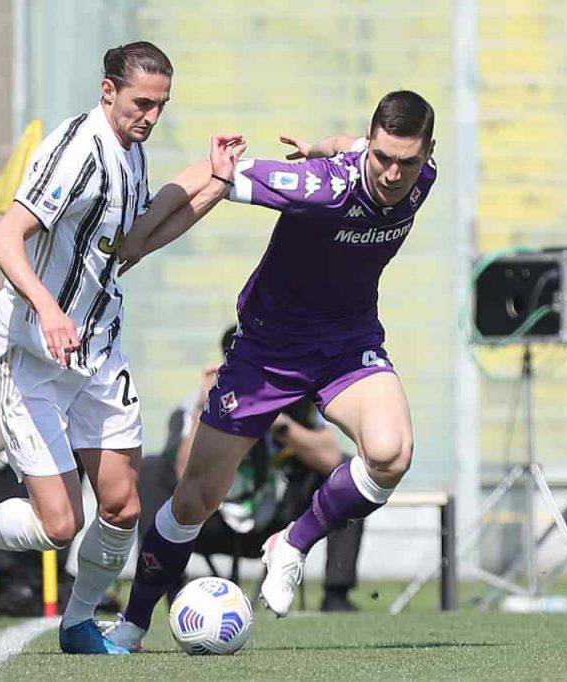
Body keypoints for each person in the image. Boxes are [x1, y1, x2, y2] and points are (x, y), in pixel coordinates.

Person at [0, 41, 246, 656]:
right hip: (32, 353)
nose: (150, 115)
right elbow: (3, 239)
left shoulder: (131, 152)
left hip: (96, 353)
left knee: (121, 504)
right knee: (58, 524)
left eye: (161, 105)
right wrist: (49, 307)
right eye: (142, 101)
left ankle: (79, 623)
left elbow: (139, 241)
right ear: (108, 89)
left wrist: (213, 181)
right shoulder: (76, 151)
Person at [108, 90, 437, 650]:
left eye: (406, 162)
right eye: (381, 158)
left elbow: (346, 146)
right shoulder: (325, 188)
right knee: (194, 500)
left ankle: (292, 544)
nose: (390, 174)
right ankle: (134, 623)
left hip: (347, 343)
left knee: (391, 454)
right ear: (372, 144)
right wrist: (139, 240)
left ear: (427, 152)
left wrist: (318, 145)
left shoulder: (420, 175)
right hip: (266, 352)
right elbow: (212, 178)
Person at [138, 326, 365, 611]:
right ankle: (170, 590)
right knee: (151, 470)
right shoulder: (199, 401)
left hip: (275, 521)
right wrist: (207, 409)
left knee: (346, 474)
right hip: (208, 519)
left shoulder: (295, 401)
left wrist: (272, 417)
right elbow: (184, 471)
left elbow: (333, 458)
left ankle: (337, 594)